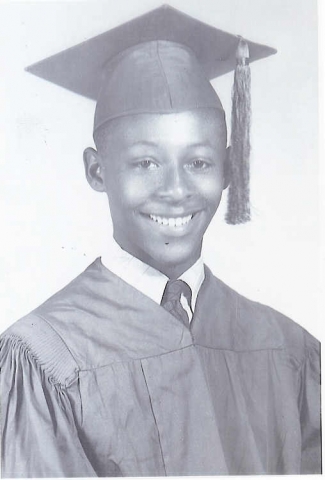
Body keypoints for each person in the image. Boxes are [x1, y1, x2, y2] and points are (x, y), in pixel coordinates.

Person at [0, 4, 321, 477]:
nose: (175, 191)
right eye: (145, 163)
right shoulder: (46, 357)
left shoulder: (287, 348)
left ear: (230, 169)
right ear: (96, 170)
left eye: (199, 162)